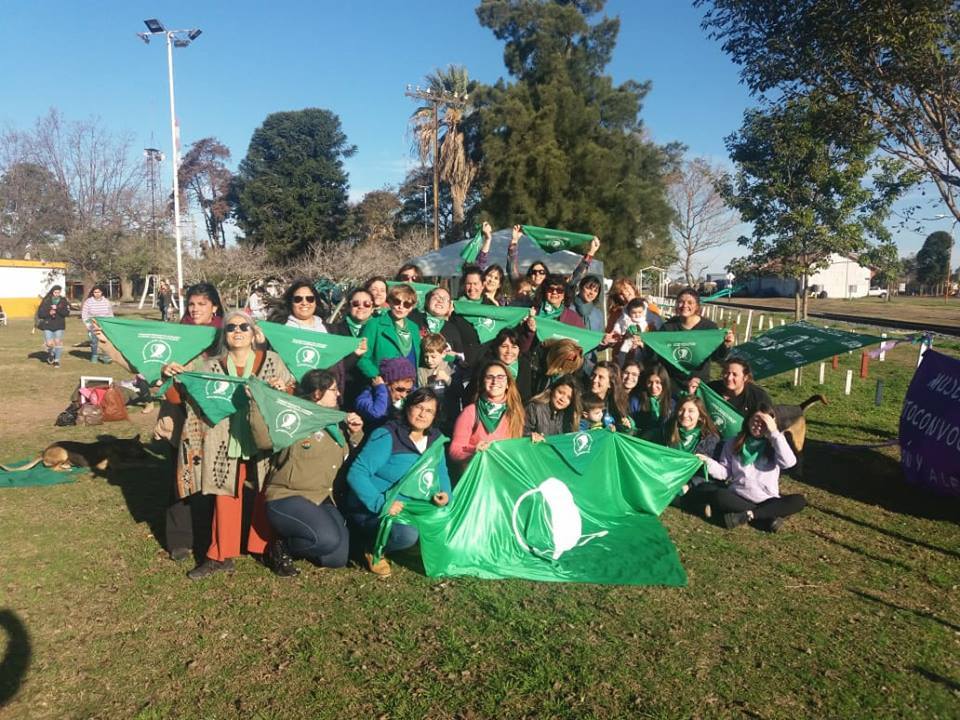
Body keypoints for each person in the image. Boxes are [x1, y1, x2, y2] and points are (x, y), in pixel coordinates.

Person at [178, 311, 295, 580]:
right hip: (226, 437)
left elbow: (291, 393)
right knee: (225, 493)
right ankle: (220, 554)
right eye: (231, 327)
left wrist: (283, 389)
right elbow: (185, 396)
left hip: (264, 436)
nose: (238, 331)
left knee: (266, 491)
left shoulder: (272, 361)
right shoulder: (210, 366)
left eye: (244, 326)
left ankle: (266, 548)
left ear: (254, 333)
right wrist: (174, 376)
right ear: (225, 334)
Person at [252, 369, 364, 576]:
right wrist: (256, 403)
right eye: (334, 389)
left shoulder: (336, 421)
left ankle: (307, 539)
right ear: (317, 393)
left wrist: (355, 434)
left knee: (336, 558)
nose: (339, 393)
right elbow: (263, 440)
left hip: (322, 496)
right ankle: (280, 548)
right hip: (289, 495)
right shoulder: (294, 415)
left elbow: (351, 460)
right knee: (326, 540)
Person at [345, 387, 451, 576]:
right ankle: (372, 548)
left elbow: (441, 471)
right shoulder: (387, 435)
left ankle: (402, 541)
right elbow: (357, 473)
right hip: (375, 508)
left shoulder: (436, 439)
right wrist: (382, 503)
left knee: (449, 521)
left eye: (429, 411)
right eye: (418, 407)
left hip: (413, 506)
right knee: (407, 535)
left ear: (435, 416)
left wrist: (445, 493)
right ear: (407, 407)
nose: (422, 414)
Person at [697, 406, 806, 532]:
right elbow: (725, 472)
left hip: (767, 499)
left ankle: (748, 515)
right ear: (748, 420)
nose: (759, 425)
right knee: (719, 495)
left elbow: (788, 463)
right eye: (756, 420)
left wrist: (774, 433)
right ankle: (765, 518)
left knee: (799, 500)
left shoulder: (775, 443)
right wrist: (707, 462)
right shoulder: (733, 442)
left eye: (764, 422)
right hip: (739, 495)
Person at [449, 360, 525, 466]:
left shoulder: (515, 412)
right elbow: (455, 450)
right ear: (483, 382)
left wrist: (533, 440)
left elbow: (518, 447)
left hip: (503, 471)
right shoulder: (470, 412)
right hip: (480, 471)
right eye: (489, 377)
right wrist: (473, 452)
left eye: (500, 377)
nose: (495, 381)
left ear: (508, 384)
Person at [654, 287, 735, 383]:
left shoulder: (709, 327)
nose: (685, 305)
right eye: (681, 302)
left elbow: (716, 357)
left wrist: (726, 345)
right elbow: (659, 354)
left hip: (699, 382)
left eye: (690, 302)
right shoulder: (668, 327)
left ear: (697, 306)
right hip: (672, 381)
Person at [357, 284, 421, 383]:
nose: (401, 307)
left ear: (411, 307)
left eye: (406, 304)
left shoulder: (414, 328)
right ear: (390, 302)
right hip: (383, 384)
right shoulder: (374, 325)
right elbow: (361, 357)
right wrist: (377, 377)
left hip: (410, 386)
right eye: (397, 302)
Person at [325, 287, 373, 407]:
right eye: (356, 303)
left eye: (366, 304)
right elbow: (334, 367)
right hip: (345, 392)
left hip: (372, 391)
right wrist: (355, 355)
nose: (361, 307)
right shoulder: (334, 331)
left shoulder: (378, 329)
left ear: (372, 308)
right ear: (348, 306)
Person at [688, 358, 773, 421]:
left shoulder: (758, 397)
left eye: (734, 374)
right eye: (726, 373)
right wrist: (692, 393)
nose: (729, 378)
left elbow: (770, 421)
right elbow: (692, 410)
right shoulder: (712, 389)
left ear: (745, 377)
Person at [355, 358, 416, 427]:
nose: (404, 395)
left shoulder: (408, 394)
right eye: (399, 389)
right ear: (385, 384)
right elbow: (376, 413)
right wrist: (381, 390)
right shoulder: (366, 396)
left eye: (408, 391)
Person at [524, 374, 580, 440]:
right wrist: (531, 436)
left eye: (569, 398)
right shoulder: (534, 408)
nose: (562, 399)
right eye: (560, 392)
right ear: (553, 389)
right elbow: (521, 432)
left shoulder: (570, 417)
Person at [588, 361, 634, 432]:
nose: (594, 380)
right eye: (593, 375)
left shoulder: (617, 405)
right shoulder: (580, 401)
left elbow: (629, 429)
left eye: (601, 377)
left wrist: (627, 427)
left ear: (610, 384)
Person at [633, 365, 674, 436]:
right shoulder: (636, 401)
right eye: (650, 382)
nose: (653, 386)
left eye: (658, 382)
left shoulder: (672, 403)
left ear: (664, 383)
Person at [37, 285, 69, 368]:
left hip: (59, 324)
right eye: (55, 292)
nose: (57, 294)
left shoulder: (63, 300)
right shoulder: (46, 300)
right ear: (52, 292)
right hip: (48, 324)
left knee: (58, 341)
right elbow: (40, 314)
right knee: (49, 343)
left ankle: (57, 360)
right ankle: (51, 353)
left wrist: (57, 308)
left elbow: (66, 313)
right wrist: (49, 313)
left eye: (58, 292)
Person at [81, 285, 113, 364]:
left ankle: (106, 356)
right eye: (95, 292)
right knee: (94, 341)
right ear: (93, 293)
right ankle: (94, 356)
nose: (97, 294)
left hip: (104, 324)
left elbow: (110, 314)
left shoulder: (106, 301)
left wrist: (110, 324)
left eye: (98, 292)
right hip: (93, 323)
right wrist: (88, 325)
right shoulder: (88, 301)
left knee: (105, 341)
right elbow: (84, 314)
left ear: (102, 292)